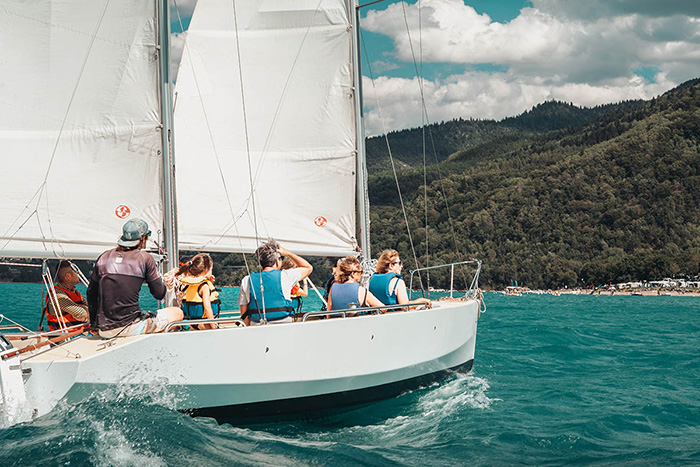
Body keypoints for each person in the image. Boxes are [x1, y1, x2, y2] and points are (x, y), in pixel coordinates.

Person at [87, 218, 183, 338]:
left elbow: (91, 293)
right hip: (131, 328)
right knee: (177, 313)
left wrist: (94, 325)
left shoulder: (104, 257)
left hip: (104, 330)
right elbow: (159, 294)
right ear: (142, 238)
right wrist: (165, 281)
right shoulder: (145, 258)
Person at [238, 240, 312, 325]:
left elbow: (244, 315)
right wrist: (288, 253)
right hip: (284, 328)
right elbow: (308, 267)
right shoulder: (286, 276)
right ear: (277, 261)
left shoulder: (246, 280)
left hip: (257, 331)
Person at [177, 253, 220, 330]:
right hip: (202, 324)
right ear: (206, 269)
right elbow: (207, 309)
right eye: (211, 269)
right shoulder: (204, 286)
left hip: (192, 323)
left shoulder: (191, 283)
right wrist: (214, 328)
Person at [44, 260, 89, 331]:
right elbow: (81, 314)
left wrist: (86, 310)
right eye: (76, 272)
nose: (79, 274)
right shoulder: (57, 295)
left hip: (80, 335)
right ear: (68, 276)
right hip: (65, 337)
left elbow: (93, 309)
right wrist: (86, 310)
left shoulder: (75, 293)